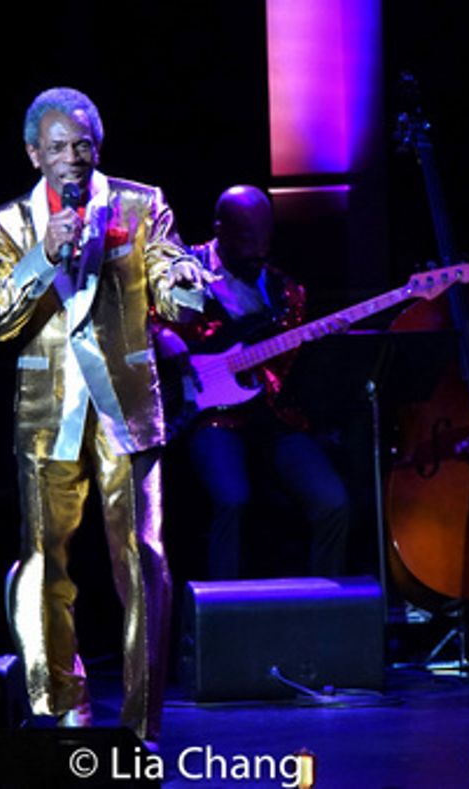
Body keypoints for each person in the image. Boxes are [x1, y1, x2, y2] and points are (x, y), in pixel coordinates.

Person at [0, 87, 211, 744]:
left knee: (142, 558)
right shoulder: (10, 224)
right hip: (48, 413)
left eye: (82, 146)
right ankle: (59, 708)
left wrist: (186, 288)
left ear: (96, 147)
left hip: (126, 410)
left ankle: (142, 724)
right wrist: (40, 255)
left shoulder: (141, 204)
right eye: (57, 148)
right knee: (43, 562)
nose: (72, 158)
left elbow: (171, 278)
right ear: (34, 154)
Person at [155, 185, 350, 580]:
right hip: (207, 413)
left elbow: (292, 368)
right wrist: (160, 335)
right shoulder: (182, 266)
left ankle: (323, 613)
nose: (257, 250)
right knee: (232, 498)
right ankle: (222, 620)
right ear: (219, 228)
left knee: (334, 502)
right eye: (246, 238)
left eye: (264, 238)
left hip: (273, 415)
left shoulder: (287, 291)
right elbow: (134, 314)